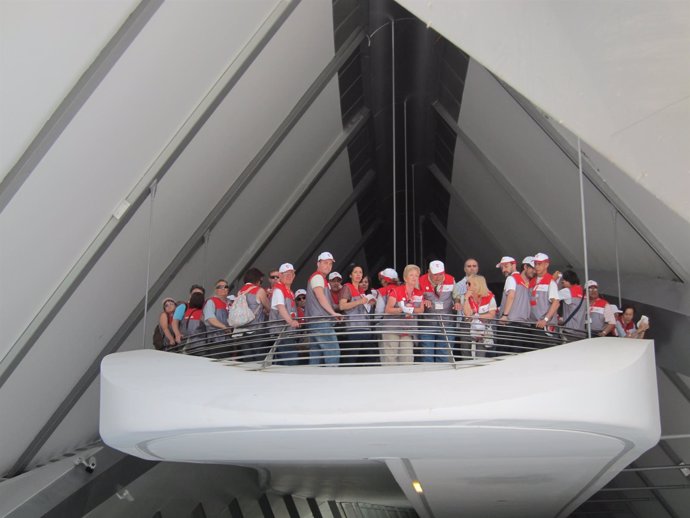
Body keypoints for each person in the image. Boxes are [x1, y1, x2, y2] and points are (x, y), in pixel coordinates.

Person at [305, 252, 342, 365]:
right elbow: (320, 296)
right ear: (318, 263)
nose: (328, 266)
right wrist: (333, 313)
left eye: (330, 264)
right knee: (333, 351)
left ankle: (314, 380)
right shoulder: (318, 277)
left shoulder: (319, 278)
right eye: (325, 263)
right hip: (321, 321)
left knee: (316, 355)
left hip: (315, 321)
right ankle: (330, 379)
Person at [383, 264, 424, 364]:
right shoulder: (396, 291)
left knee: (407, 356)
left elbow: (421, 309)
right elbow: (388, 309)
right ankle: (391, 378)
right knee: (391, 357)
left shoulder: (419, 292)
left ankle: (407, 378)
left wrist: (410, 309)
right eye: (411, 275)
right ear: (405, 278)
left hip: (408, 329)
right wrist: (401, 310)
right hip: (393, 328)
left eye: (416, 275)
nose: (414, 278)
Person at [418, 260, 456, 362]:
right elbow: (414, 297)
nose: (438, 277)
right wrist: (423, 300)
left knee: (445, 355)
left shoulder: (451, 279)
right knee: (427, 354)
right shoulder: (420, 280)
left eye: (440, 274)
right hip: (427, 324)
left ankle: (443, 377)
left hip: (447, 323)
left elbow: (456, 296)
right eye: (435, 274)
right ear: (428, 272)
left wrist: (457, 302)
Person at [497, 256, 534, 355]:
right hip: (524, 324)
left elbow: (511, 296)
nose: (504, 270)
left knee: (504, 354)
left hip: (510, 323)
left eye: (506, 266)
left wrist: (505, 315)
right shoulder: (524, 282)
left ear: (514, 265)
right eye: (502, 267)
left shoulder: (511, 278)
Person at [339, 265, 376, 364]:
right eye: (355, 272)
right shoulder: (347, 287)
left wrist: (369, 303)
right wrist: (360, 302)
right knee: (352, 358)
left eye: (360, 272)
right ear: (350, 275)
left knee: (369, 358)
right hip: (353, 329)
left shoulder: (361, 290)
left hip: (365, 328)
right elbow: (342, 306)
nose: (358, 274)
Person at [268, 263, 300, 365]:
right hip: (282, 333)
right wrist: (291, 321)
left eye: (291, 274)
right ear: (280, 276)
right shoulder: (278, 290)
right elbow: (280, 307)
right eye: (286, 274)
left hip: (287, 333)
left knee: (284, 362)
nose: (289, 276)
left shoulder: (289, 291)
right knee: (290, 361)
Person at [462, 274, 497, 358]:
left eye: (469, 283)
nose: (466, 285)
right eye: (466, 283)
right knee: (466, 356)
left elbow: (492, 315)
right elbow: (468, 314)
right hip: (468, 328)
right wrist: (466, 298)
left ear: (477, 285)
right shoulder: (464, 296)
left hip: (483, 328)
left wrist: (477, 316)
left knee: (480, 356)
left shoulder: (490, 297)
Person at [529, 253, 560, 340]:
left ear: (546, 265)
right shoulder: (532, 281)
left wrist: (545, 320)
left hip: (545, 326)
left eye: (539, 264)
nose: (536, 266)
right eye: (535, 264)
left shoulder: (550, 281)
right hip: (533, 324)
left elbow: (556, 302)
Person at [557, 270, 586, 334]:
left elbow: (552, 297)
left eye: (564, 279)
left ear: (569, 280)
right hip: (581, 331)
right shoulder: (583, 292)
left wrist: (556, 280)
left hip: (569, 331)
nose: (562, 282)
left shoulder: (567, 291)